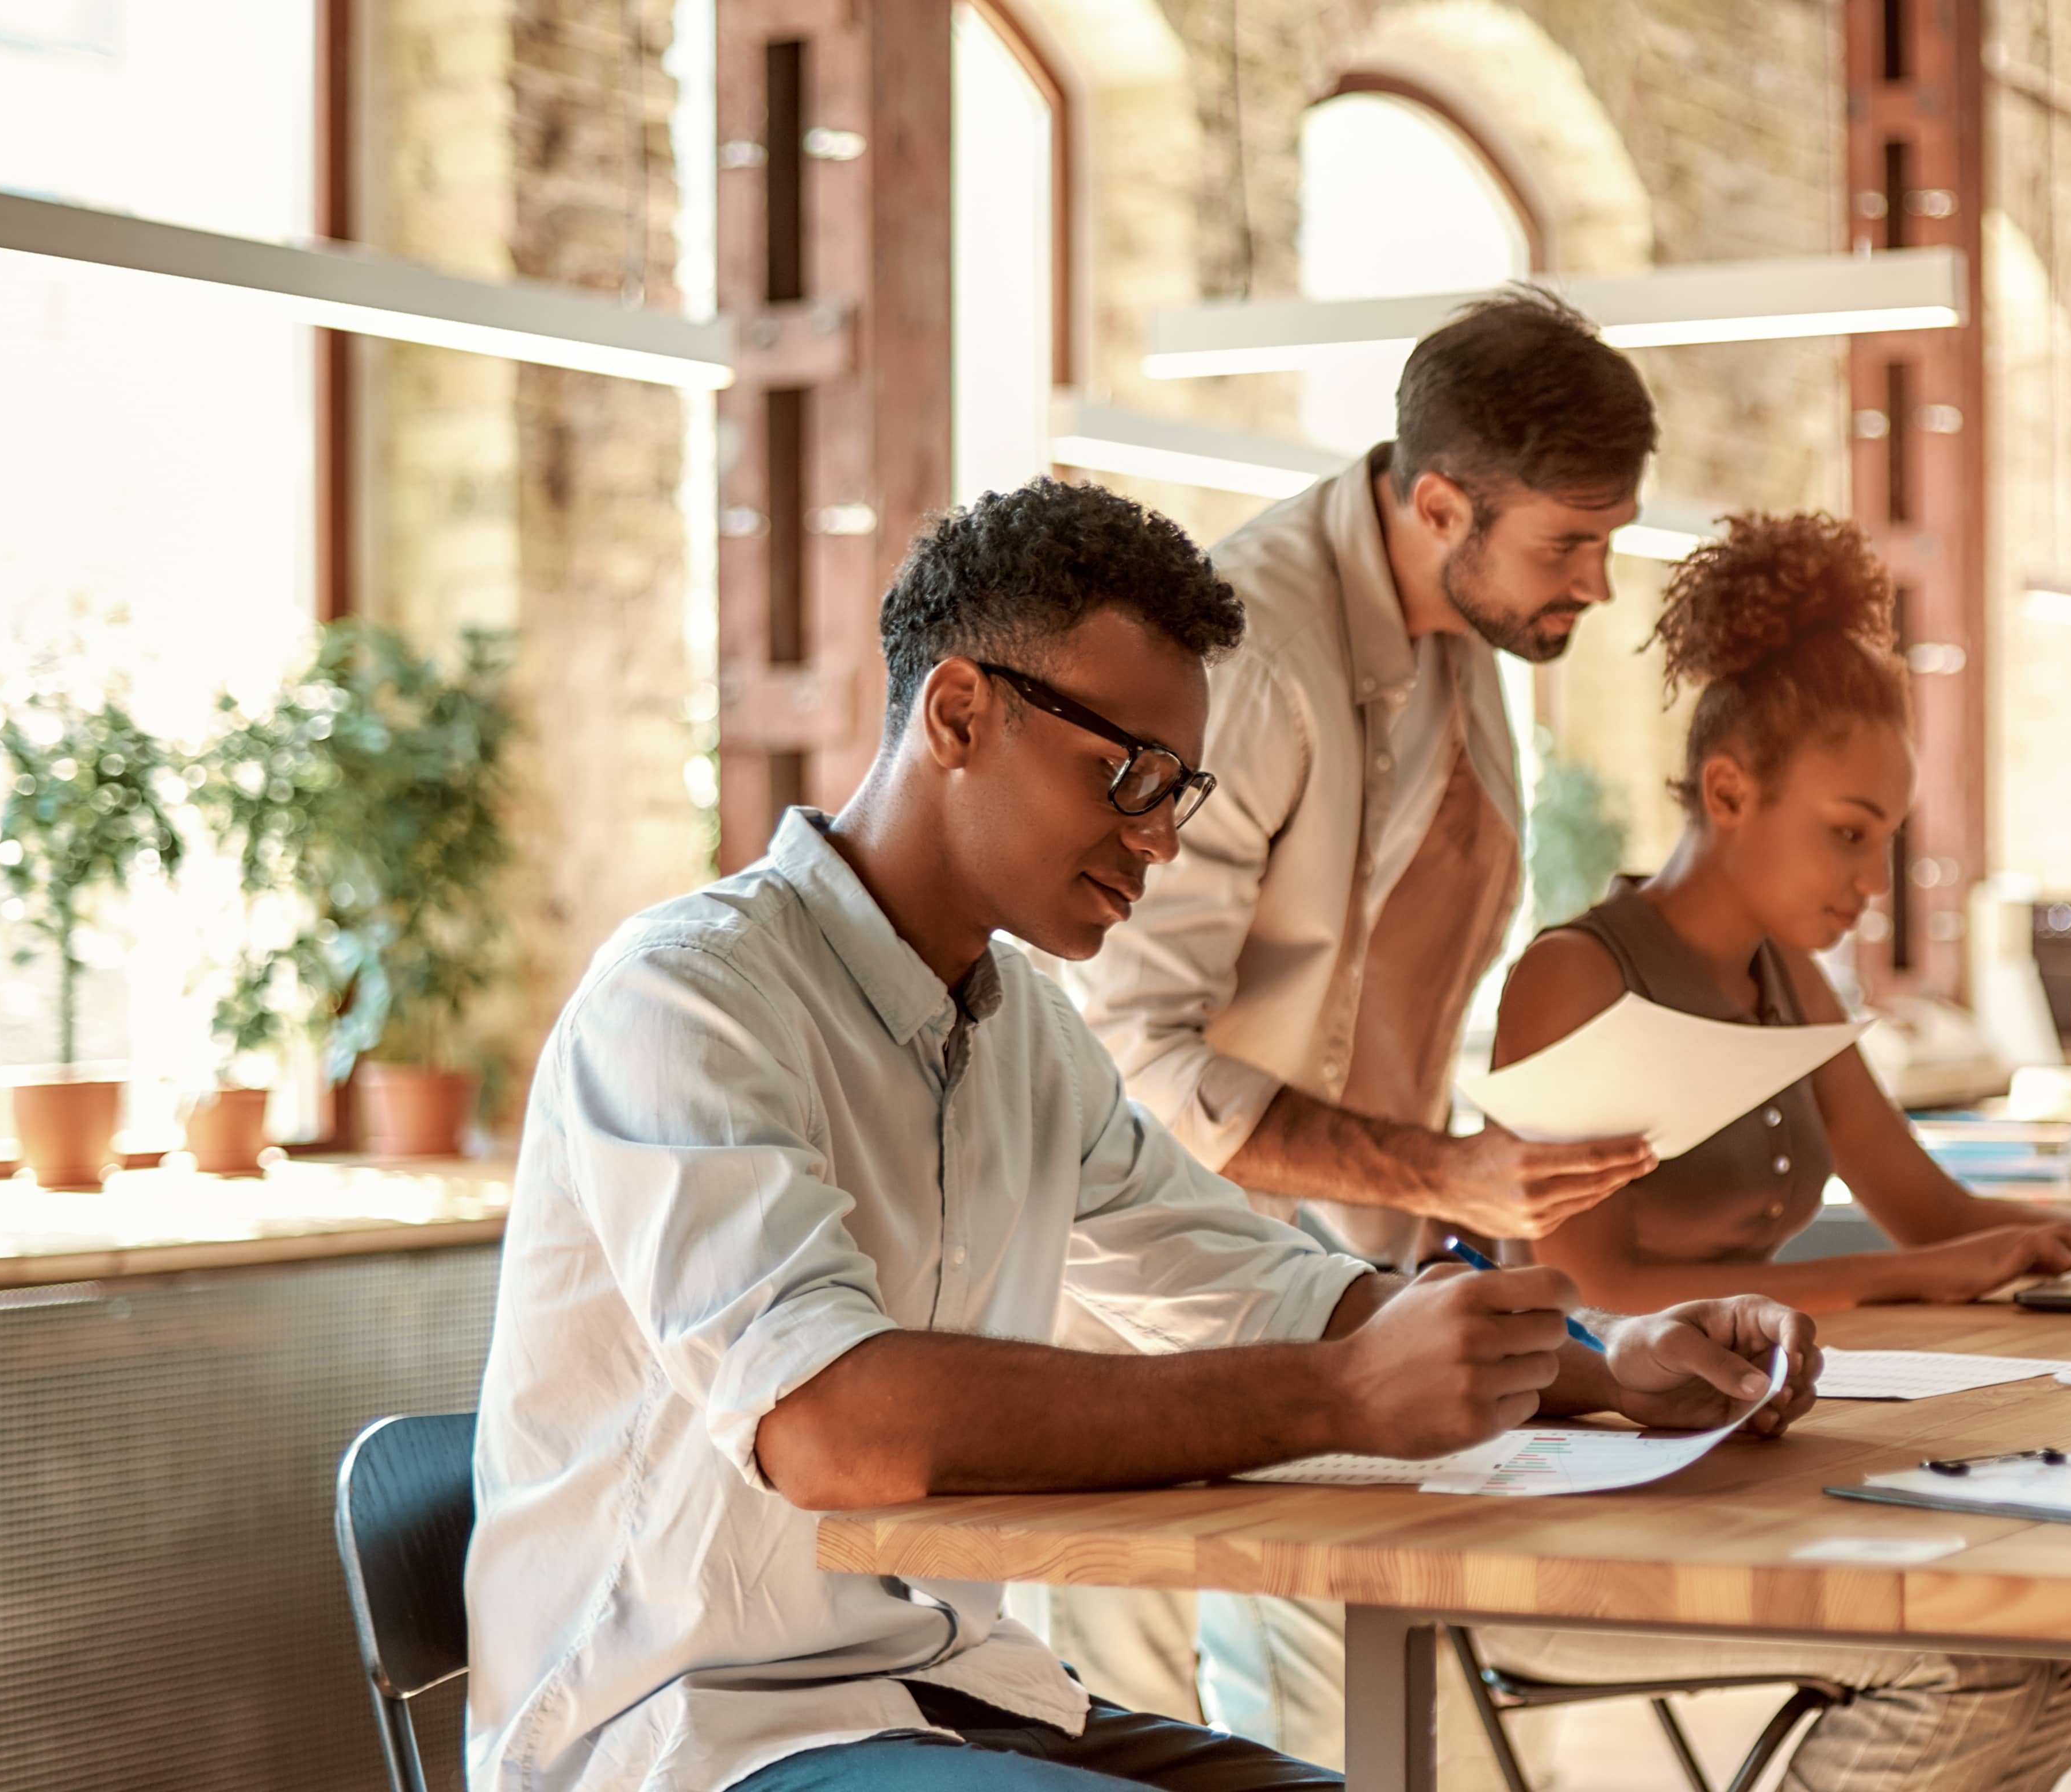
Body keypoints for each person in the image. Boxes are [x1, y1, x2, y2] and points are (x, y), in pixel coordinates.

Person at [462, 479, 1816, 1792]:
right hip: (687, 1732)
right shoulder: (691, 997)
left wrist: (1608, 1368)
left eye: (1181, 788)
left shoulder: (1027, 1037)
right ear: (956, 713)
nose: (1160, 839)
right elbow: (831, 1428)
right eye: (1128, 776)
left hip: (950, 1691)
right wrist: (1340, 1399)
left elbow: (1265, 1289)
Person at [1057, 289, 1667, 1754]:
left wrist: (1472, 1184)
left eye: (1608, 537)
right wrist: (1440, 1172)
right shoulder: (1253, 650)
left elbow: (1389, 981)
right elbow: (1134, 1048)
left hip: (1333, 1263)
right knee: (1145, 1710)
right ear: (1440, 501)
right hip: (1148, 1292)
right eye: (1568, 542)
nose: (1596, 580)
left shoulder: (1463, 638)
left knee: (1337, 1710)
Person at [1502, 509, 2071, 1314]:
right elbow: (1589, 1292)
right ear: (1729, 793)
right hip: (1594, 1424)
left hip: (1736, 1399)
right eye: (1848, 832)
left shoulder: (1786, 978)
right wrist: (1902, 1277)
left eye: (1885, 840)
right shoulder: (1576, 978)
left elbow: (1934, 1216)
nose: (1872, 880)